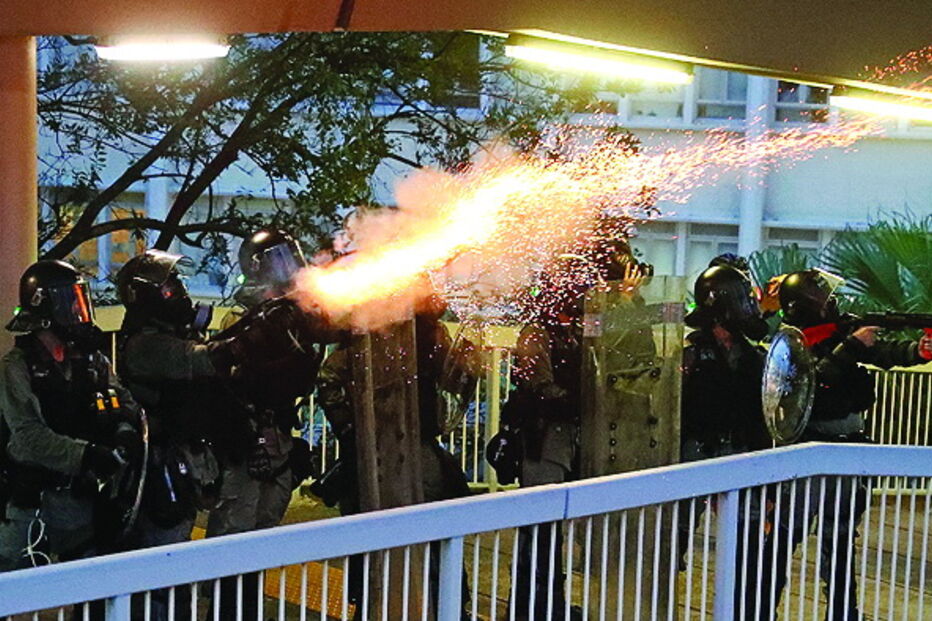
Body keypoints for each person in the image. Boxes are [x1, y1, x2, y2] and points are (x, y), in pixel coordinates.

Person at [769, 269, 932, 621]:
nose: (833, 306)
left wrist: (917, 351)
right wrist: (851, 346)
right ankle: (761, 608)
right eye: (825, 302)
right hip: (809, 451)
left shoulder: (837, 337)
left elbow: (886, 353)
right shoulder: (791, 344)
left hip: (846, 449)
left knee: (840, 541)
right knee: (784, 540)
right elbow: (811, 384)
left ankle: (844, 612)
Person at [498, 239, 648, 621]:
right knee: (541, 531)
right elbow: (542, 390)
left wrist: (629, 303)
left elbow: (636, 354)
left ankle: (552, 604)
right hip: (545, 440)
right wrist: (588, 396)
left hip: (579, 437)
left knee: (571, 531)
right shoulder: (538, 331)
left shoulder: (588, 327)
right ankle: (532, 607)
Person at [206, 230, 331, 621]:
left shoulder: (296, 317)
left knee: (262, 539)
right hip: (244, 440)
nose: (290, 267)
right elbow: (226, 387)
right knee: (232, 539)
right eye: (279, 259)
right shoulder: (241, 322)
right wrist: (250, 439)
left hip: (278, 437)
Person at [0, 260, 141, 573]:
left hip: (77, 501)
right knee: (9, 587)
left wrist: (123, 430)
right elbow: (27, 437)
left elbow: (124, 401)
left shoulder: (91, 361)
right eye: (70, 301)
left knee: (88, 584)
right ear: (45, 310)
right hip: (28, 504)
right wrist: (87, 454)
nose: (79, 310)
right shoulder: (16, 367)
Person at [678, 263, 774, 619]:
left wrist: (768, 488)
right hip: (694, 454)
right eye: (743, 300)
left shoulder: (753, 357)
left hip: (740, 456)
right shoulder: (688, 355)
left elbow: (762, 418)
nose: (750, 307)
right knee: (672, 542)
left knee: (748, 551)